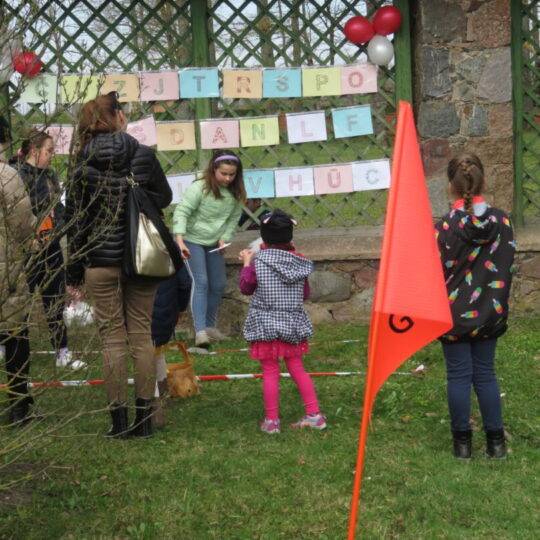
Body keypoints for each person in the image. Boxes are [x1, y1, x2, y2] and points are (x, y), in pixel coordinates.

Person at [66, 91, 172, 439]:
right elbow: (165, 197)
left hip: (100, 261)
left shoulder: (81, 165)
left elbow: (75, 223)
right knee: (141, 335)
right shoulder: (143, 155)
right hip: (142, 257)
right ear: (118, 117)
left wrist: (73, 272)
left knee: (111, 339)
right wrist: (136, 198)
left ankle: (118, 422)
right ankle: (144, 420)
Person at [435, 153, 515, 459]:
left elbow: (433, 273)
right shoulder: (503, 222)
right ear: (483, 180)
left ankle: (462, 445)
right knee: (485, 374)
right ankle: (496, 444)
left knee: (458, 376)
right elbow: (506, 265)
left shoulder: (443, 227)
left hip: (453, 315)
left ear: (450, 185)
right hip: (489, 313)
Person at [238, 209, 326, 434]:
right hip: (292, 323)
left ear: (264, 237)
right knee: (297, 367)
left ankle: (272, 421)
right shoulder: (300, 261)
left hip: (265, 324)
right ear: (290, 236)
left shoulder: (259, 261)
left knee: (270, 370)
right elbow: (304, 293)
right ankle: (314, 415)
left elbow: (246, 287)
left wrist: (246, 263)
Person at [10, 129, 84, 370]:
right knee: (19, 302)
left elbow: (58, 209)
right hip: (26, 250)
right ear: (34, 151)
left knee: (54, 299)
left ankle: (62, 351)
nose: (52, 155)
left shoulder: (50, 175)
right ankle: (8, 347)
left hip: (50, 247)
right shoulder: (16, 175)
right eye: (49, 150)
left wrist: (57, 229)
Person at [173, 150, 245, 349]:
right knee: (201, 282)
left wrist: (224, 238)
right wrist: (179, 239)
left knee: (218, 284)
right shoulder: (200, 188)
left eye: (232, 174)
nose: (228, 178)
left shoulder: (235, 192)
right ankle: (200, 331)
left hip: (214, 243)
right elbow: (182, 211)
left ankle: (210, 327)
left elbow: (233, 219)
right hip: (191, 241)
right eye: (224, 173)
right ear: (214, 170)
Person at [0, 122, 37, 425]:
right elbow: (23, 222)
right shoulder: (7, 175)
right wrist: (33, 241)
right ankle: (19, 404)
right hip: (5, 266)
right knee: (14, 333)